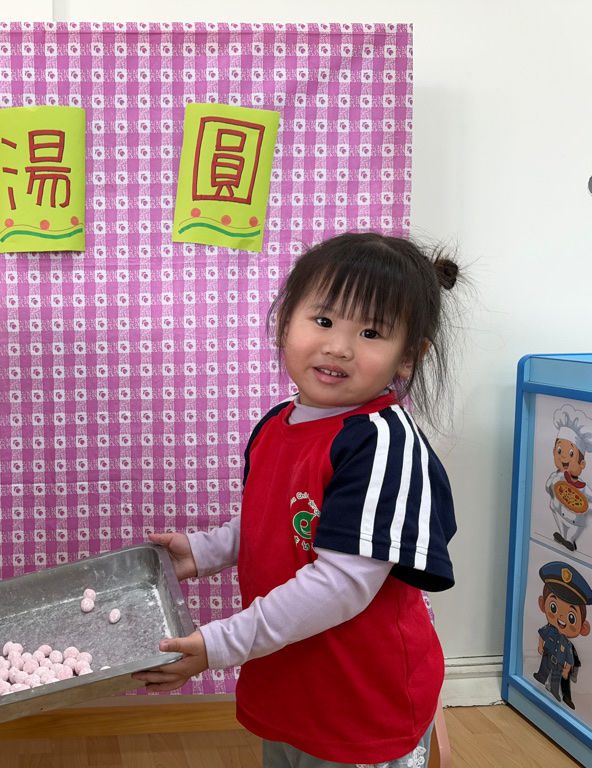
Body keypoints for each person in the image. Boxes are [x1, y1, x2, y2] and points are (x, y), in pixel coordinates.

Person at [136, 232, 460, 767]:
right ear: (287, 323)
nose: (339, 347)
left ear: (408, 357)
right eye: (324, 320)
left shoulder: (381, 443)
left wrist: (219, 644)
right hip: (293, 683)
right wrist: (204, 550)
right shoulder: (277, 424)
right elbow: (281, 517)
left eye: (371, 332)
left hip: (360, 700)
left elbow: (341, 583)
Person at [533, 561, 592, 705]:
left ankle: (556, 691)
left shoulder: (567, 644)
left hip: (559, 664)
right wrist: (540, 646)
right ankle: (541, 679)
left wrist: (567, 669)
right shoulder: (550, 629)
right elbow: (542, 634)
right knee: (543, 672)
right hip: (547, 656)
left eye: (571, 617)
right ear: (542, 604)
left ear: (583, 628)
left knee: (555, 681)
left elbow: (570, 659)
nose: (561, 617)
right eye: (553, 607)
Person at [546, 405, 592, 552]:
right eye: (559, 451)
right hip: (558, 508)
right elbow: (549, 485)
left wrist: (587, 506)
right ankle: (563, 536)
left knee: (574, 526)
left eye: (571, 453)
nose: (564, 456)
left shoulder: (583, 487)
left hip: (574, 516)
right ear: (554, 451)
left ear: (582, 464)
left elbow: (590, 498)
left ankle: (569, 540)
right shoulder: (559, 476)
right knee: (558, 516)